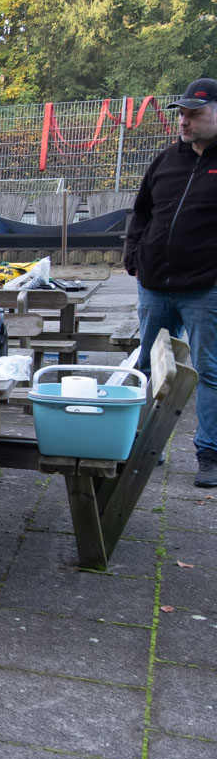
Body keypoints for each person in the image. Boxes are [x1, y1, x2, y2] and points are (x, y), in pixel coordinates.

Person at [124, 76, 217, 488]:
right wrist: (133, 255)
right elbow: (141, 211)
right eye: (181, 113)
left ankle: (209, 454)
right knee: (147, 366)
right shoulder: (166, 159)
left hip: (204, 290)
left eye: (194, 114)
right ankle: (146, 444)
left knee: (208, 372)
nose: (184, 121)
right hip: (154, 285)